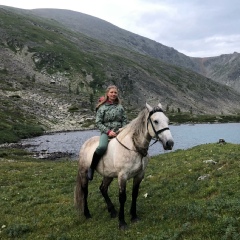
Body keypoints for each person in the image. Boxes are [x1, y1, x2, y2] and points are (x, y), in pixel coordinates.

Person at [87, 85, 128, 180]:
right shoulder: (102, 107)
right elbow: (98, 122)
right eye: (111, 92)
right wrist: (108, 132)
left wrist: (122, 129)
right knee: (102, 147)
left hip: (119, 131)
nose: (113, 94)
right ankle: (92, 168)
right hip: (106, 132)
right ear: (107, 94)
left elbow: (124, 120)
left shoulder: (120, 107)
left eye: (115, 92)